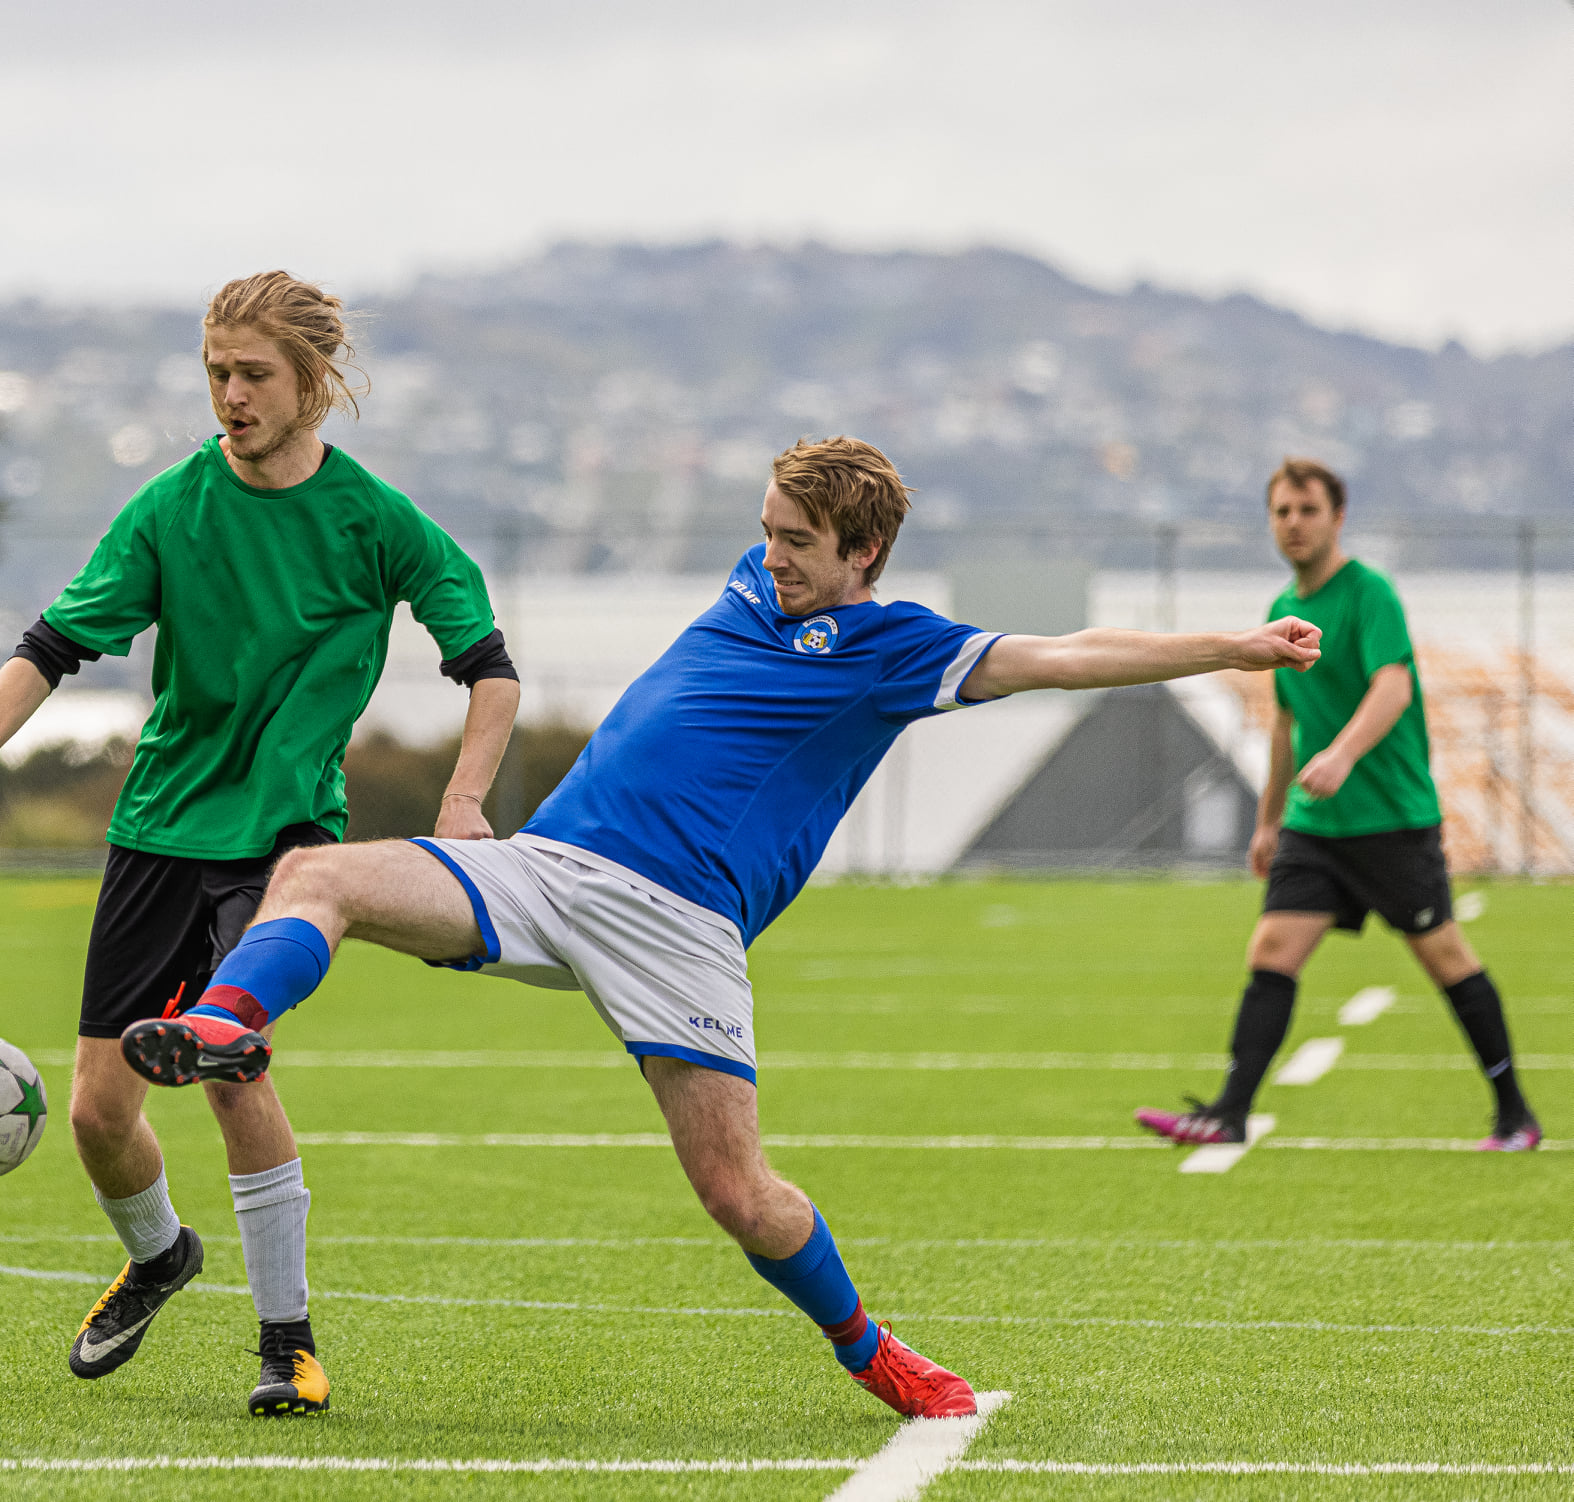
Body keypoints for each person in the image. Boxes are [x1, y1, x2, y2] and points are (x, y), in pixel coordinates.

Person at [119, 436, 1320, 1418]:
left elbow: (1062, 655)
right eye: (768, 530)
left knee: (740, 1193)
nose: (772, 555)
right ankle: (224, 1023)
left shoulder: (896, 647)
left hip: (680, 929)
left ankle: (873, 1349)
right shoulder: (754, 580)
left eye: (798, 541)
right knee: (317, 874)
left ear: (864, 552)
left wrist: (1231, 646)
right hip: (546, 869)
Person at [0, 270, 521, 1416]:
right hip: (159, 826)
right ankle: (160, 1254)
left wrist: (463, 801)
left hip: (285, 842)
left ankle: (288, 1344)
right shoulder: (171, 508)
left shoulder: (375, 521)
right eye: (217, 373)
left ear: (314, 382)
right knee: (98, 1115)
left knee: (233, 1065)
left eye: (255, 375)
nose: (231, 395)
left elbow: (489, 668)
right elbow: (50, 645)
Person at [1136, 458, 1539, 1152]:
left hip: (1390, 820)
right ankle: (1229, 1114)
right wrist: (1268, 822)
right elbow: (1285, 724)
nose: (1293, 523)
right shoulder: (1279, 613)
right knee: (1273, 948)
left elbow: (1393, 686)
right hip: (1314, 826)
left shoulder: (1369, 593)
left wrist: (1345, 755)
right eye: (1282, 511)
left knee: (1445, 957)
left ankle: (1514, 1115)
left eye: (1308, 510)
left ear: (1337, 518)